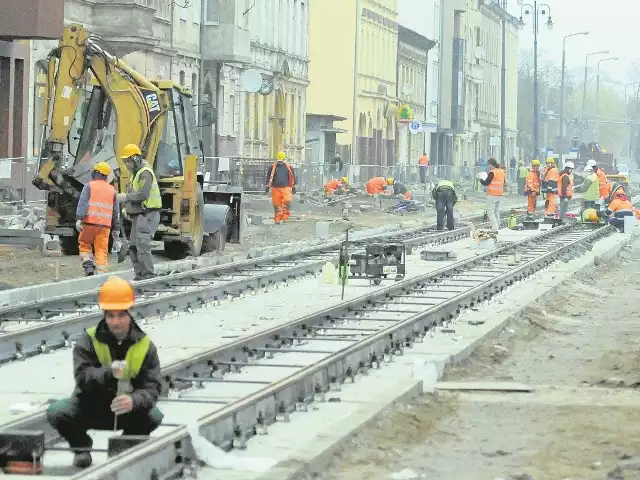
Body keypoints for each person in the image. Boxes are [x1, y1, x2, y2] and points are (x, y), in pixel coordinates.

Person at [46, 276, 163, 469]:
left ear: (130, 313)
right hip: (91, 407)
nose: (116, 322)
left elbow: (153, 387)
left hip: (125, 410)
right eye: (111, 315)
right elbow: (83, 377)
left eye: (121, 315)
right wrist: (109, 373)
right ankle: (82, 447)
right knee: (57, 412)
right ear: (104, 315)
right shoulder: (88, 340)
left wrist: (134, 401)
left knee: (154, 416)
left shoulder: (145, 346)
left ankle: (123, 447)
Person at [116, 144, 162, 281]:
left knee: (143, 245)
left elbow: (142, 195)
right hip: (139, 215)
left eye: (128, 162)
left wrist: (125, 197)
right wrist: (127, 208)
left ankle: (148, 276)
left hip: (148, 214)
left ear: (136, 159)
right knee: (134, 247)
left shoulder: (145, 173)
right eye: (125, 162)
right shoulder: (135, 175)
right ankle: (140, 276)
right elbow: (133, 193)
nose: (126, 165)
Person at [75, 162, 120, 276]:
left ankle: (88, 266)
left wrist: (79, 218)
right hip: (105, 227)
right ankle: (101, 275)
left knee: (85, 244)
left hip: (89, 223)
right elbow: (115, 212)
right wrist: (116, 228)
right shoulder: (112, 190)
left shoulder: (89, 186)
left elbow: (83, 204)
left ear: (96, 173)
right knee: (101, 250)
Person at [265, 151, 296, 224]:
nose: (280, 162)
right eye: (279, 161)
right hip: (275, 188)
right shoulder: (273, 167)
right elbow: (269, 176)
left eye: (281, 161)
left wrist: (294, 186)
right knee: (277, 204)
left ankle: (285, 217)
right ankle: (277, 219)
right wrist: (267, 186)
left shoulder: (288, 167)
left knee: (287, 201)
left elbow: (293, 176)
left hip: (286, 188)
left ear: (284, 159)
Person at [477, 158, 505, 230]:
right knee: (496, 211)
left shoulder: (492, 172)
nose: (488, 166)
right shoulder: (502, 171)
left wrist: (480, 179)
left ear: (491, 164)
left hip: (492, 194)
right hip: (499, 194)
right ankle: (498, 225)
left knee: (490, 212)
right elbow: (503, 182)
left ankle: (495, 228)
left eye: (488, 165)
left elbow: (486, 183)